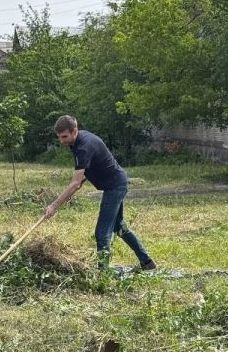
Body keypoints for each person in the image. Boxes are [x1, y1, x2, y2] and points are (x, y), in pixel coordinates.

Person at [45, 115, 156, 271]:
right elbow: (86, 170)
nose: (62, 141)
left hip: (115, 186)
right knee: (118, 227)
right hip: (116, 183)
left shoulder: (83, 146)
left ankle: (102, 273)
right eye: (59, 137)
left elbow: (75, 183)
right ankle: (147, 262)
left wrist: (54, 205)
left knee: (101, 233)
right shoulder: (78, 140)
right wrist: (80, 181)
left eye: (64, 136)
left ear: (74, 131)